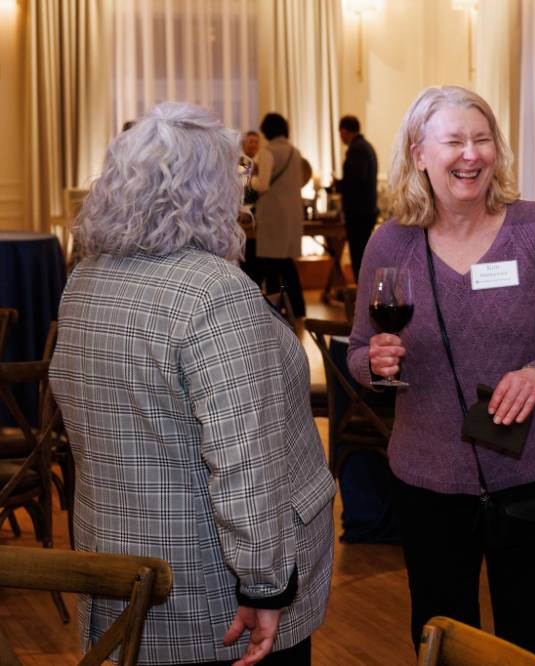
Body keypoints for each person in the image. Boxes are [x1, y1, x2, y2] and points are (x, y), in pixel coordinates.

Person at [49, 102, 336, 666]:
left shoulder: (84, 280)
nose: (241, 188)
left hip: (116, 573)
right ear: (206, 191)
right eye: (236, 174)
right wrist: (265, 586)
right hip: (215, 599)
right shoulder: (215, 291)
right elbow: (244, 459)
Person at [346, 85, 535, 661]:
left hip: (528, 477)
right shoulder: (390, 243)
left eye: (482, 140)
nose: (470, 154)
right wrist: (374, 364)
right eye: (454, 141)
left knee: (531, 642)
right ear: (418, 154)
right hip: (427, 484)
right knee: (442, 640)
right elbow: (359, 350)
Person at [252, 112, 307, 318]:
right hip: (292, 214)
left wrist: (248, 179)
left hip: (273, 215)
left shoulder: (267, 152)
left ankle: (274, 309)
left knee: (271, 265)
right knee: (286, 263)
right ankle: (298, 307)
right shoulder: (295, 152)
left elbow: (263, 184)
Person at [333, 115, 379, 282]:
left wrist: (338, 185)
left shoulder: (356, 149)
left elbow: (355, 180)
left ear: (345, 131)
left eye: (340, 132)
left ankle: (363, 292)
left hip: (358, 213)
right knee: (363, 255)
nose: (341, 137)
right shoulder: (367, 146)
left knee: (358, 257)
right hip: (367, 210)